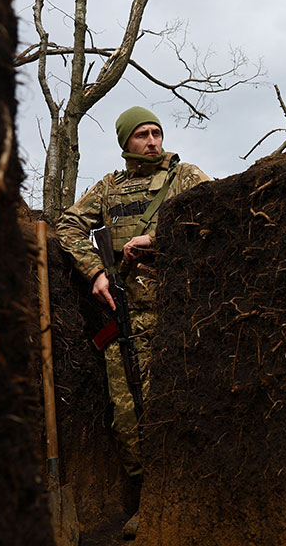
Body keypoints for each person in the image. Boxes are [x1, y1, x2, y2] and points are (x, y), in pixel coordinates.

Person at [55, 106, 209, 538]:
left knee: (176, 406)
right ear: (126, 142)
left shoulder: (184, 177)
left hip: (177, 315)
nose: (153, 141)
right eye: (142, 134)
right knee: (127, 417)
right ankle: (147, 501)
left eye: (157, 132)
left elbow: (215, 215)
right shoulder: (108, 189)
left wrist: (157, 240)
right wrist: (95, 272)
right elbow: (68, 227)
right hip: (126, 320)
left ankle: (184, 498)